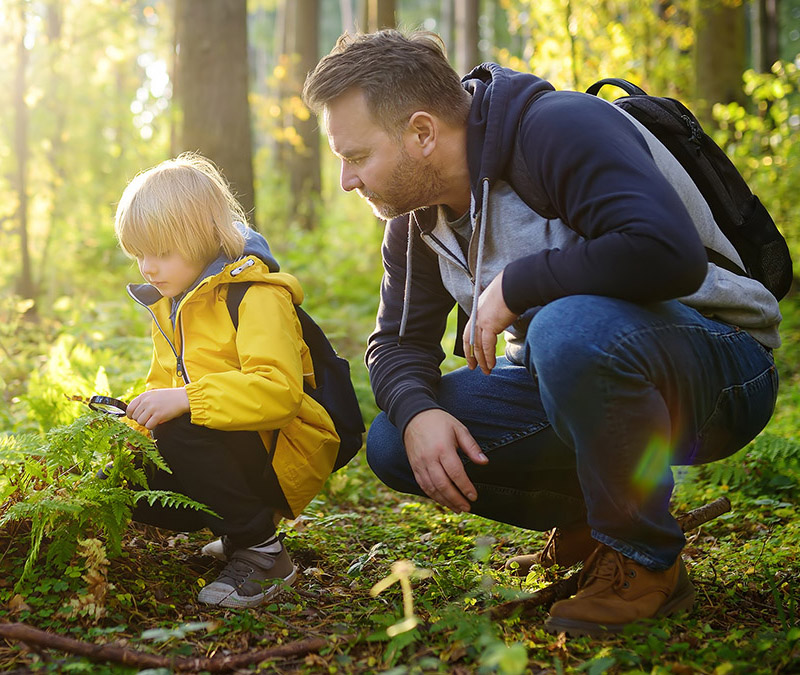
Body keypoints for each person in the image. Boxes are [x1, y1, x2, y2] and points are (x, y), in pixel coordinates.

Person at [302, 30, 782, 635]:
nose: (347, 180)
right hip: (580, 375)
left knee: (565, 326)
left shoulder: (557, 129)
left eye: (356, 156)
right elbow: (396, 344)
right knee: (396, 440)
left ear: (422, 133)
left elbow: (668, 253)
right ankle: (597, 521)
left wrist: (519, 284)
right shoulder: (416, 218)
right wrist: (418, 409)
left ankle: (644, 558)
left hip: (721, 364)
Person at [114, 153, 339, 608]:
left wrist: (185, 401)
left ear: (201, 240)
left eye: (161, 253)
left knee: (179, 425)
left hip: (284, 446)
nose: (148, 268)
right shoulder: (172, 305)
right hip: (236, 438)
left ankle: (263, 552)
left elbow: (277, 393)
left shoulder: (256, 297)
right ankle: (238, 532)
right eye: (139, 254)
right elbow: (164, 385)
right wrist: (128, 432)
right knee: (127, 480)